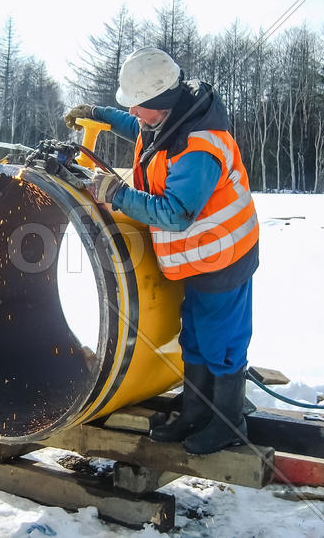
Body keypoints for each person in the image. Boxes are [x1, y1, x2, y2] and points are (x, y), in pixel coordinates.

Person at [64, 47, 259, 455]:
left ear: (159, 104)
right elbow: (130, 123)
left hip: (225, 258)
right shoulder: (167, 119)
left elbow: (175, 213)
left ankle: (227, 421)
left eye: (138, 105)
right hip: (197, 260)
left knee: (222, 342)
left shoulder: (198, 149)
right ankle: (194, 411)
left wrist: (117, 193)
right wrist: (98, 113)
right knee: (195, 336)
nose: (132, 112)